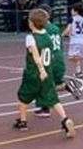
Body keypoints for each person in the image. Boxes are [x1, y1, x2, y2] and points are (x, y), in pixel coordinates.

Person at [13, 8, 76, 138]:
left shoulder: (31, 38)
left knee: (23, 97)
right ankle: (65, 119)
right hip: (48, 72)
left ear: (31, 23)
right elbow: (51, 55)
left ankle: (23, 121)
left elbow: (35, 55)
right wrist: (45, 69)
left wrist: (40, 69)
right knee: (53, 98)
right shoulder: (47, 37)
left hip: (34, 73)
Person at [63, 3, 83, 79]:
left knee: (71, 57)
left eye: (72, 10)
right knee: (75, 56)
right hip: (82, 39)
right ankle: (78, 72)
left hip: (75, 40)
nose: (71, 11)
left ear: (75, 11)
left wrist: (61, 35)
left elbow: (68, 29)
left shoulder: (72, 19)